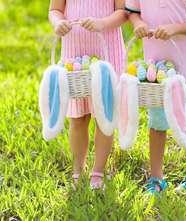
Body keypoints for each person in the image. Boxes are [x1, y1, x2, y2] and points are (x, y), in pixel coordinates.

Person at [126, 0, 186, 194]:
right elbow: (132, 12)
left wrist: (175, 29)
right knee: (157, 122)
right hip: (157, 70)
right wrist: (138, 24)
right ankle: (156, 178)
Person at [49, 0, 127, 189]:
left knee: (104, 116)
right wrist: (58, 23)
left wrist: (102, 23)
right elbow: (55, 9)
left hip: (107, 51)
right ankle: (78, 171)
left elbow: (123, 12)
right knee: (78, 117)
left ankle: (98, 172)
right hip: (74, 55)